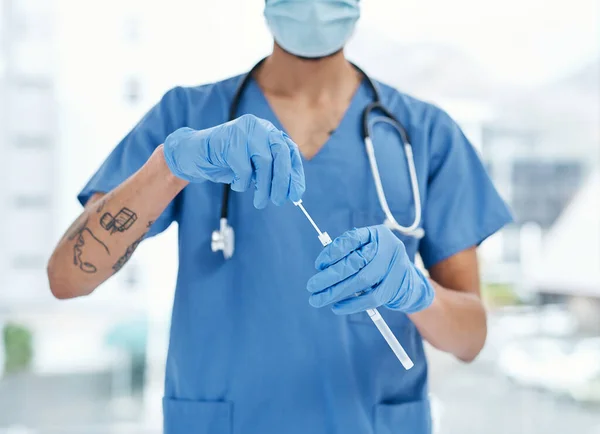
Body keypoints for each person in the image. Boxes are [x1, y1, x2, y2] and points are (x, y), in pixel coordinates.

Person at [47, 1, 513, 433]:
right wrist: (171, 165)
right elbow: (67, 278)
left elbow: (470, 339)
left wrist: (416, 291)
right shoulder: (190, 117)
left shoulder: (424, 134)